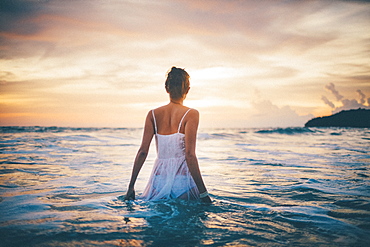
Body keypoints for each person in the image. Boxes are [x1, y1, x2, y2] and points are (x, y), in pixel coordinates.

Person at [124, 67, 212, 203]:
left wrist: (131, 187)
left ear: (167, 88)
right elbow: (190, 155)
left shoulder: (152, 114)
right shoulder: (191, 114)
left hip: (158, 181)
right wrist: (203, 193)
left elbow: (142, 152)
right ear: (187, 90)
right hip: (183, 182)